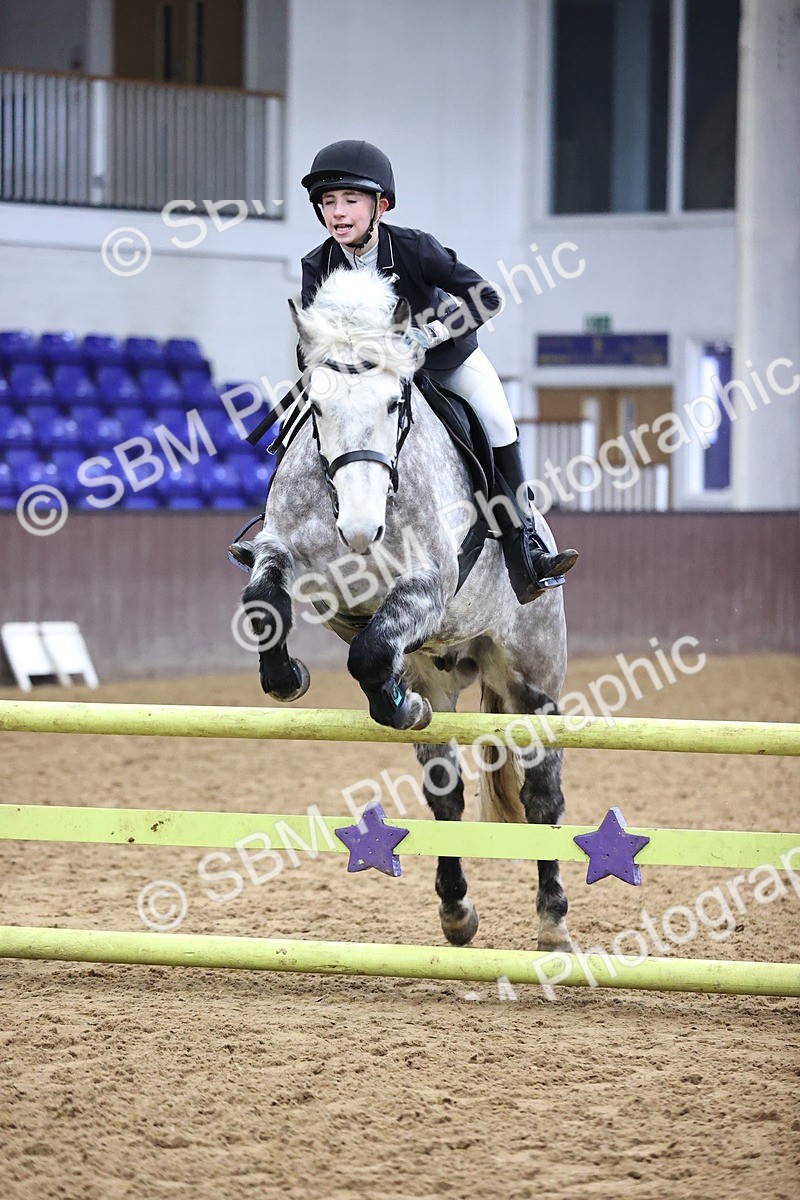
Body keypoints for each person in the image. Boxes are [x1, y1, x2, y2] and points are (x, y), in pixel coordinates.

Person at [229, 140, 578, 602]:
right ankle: (275, 531)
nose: (338, 212)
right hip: (368, 379)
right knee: (307, 426)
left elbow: (487, 298)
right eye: (328, 203)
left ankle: (524, 545)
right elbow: (308, 342)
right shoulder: (317, 264)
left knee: (495, 419)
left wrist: (429, 334)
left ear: (380, 205)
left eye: (350, 201)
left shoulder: (415, 248)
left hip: (443, 363)